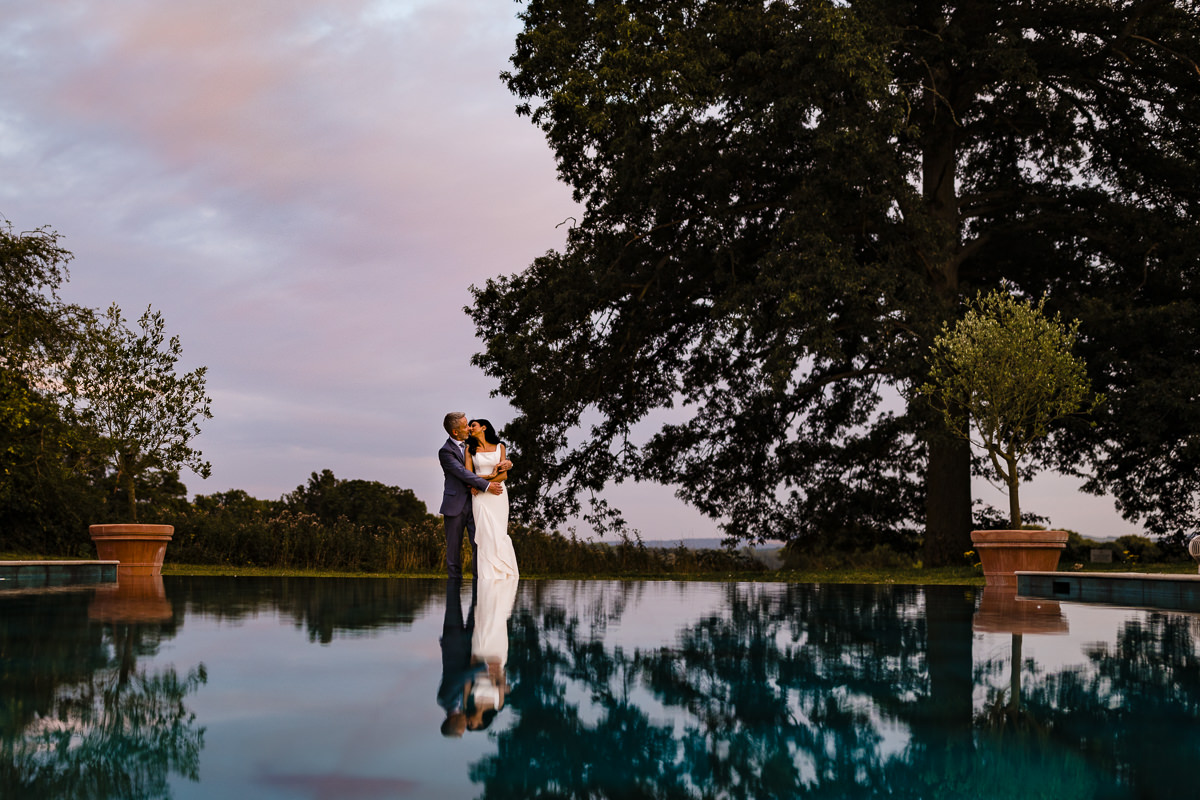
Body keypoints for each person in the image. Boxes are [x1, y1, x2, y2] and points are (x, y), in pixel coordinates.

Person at [439, 412, 509, 579]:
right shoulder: (445, 452)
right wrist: (487, 484)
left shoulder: (472, 445)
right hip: (455, 505)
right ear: (455, 432)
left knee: (480, 544)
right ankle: (454, 588)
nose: (469, 428)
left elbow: (490, 457)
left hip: (478, 502)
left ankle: (480, 584)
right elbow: (463, 473)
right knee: (454, 549)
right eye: (465, 426)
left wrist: (509, 463)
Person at [465, 419, 519, 580]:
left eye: (473, 425)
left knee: (499, 533)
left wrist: (482, 483)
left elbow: (504, 475)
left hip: (498, 494)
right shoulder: (469, 449)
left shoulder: (500, 446)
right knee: (485, 535)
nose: (470, 428)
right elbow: (468, 476)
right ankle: (486, 577)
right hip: (480, 497)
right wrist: (485, 483)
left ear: (483, 427)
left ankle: (503, 575)